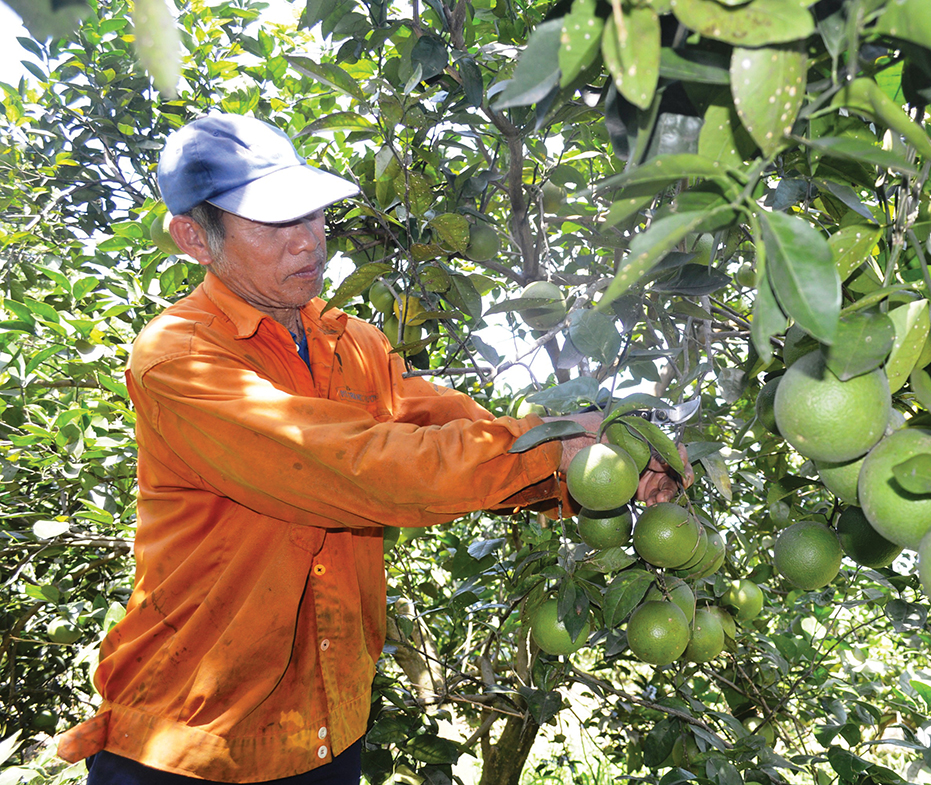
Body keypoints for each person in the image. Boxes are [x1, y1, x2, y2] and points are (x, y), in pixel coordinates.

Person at [57, 113, 688, 784]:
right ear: (194, 238)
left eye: (315, 216)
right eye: (276, 224)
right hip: (190, 739)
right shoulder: (179, 357)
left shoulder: (351, 342)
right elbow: (350, 466)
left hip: (327, 727)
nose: (310, 242)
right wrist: (545, 454)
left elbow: (457, 435)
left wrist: (578, 460)